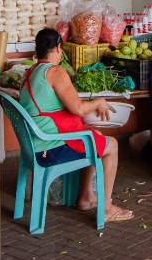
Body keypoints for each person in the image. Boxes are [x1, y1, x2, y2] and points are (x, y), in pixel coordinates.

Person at [18, 28, 132, 223]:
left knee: (92, 134)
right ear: (58, 49)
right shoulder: (54, 71)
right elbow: (78, 108)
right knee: (111, 145)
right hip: (50, 148)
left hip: (34, 146)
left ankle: (86, 196)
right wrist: (98, 102)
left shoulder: (29, 73)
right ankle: (106, 209)